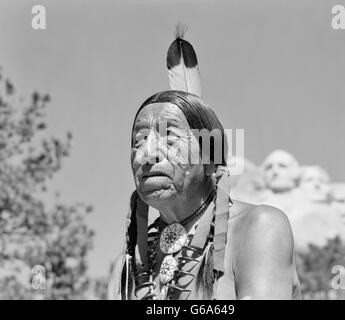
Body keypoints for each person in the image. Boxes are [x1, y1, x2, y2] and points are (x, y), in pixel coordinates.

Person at [108, 90, 301, 300]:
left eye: (169, 136)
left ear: (211, 157)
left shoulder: (259, 228)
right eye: (139, 141)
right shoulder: (127, 268)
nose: (147, 154)